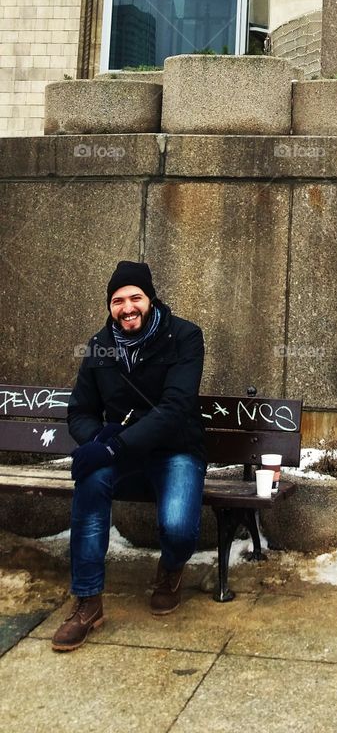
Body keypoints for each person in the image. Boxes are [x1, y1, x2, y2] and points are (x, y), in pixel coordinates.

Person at [51, 260, 206, 652]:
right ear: (110, 306)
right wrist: (97, 439)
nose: (127, 307)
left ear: (150, 299)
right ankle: (88, 602)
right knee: (89, 483)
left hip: (176, 449)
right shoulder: (100, 344)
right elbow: (79, 411)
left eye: (135, 297)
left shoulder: (185, 337)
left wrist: (111, 445)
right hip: (121, 451)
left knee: (179, 530)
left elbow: (175, 408)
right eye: (118, 300)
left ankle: (171, 569)